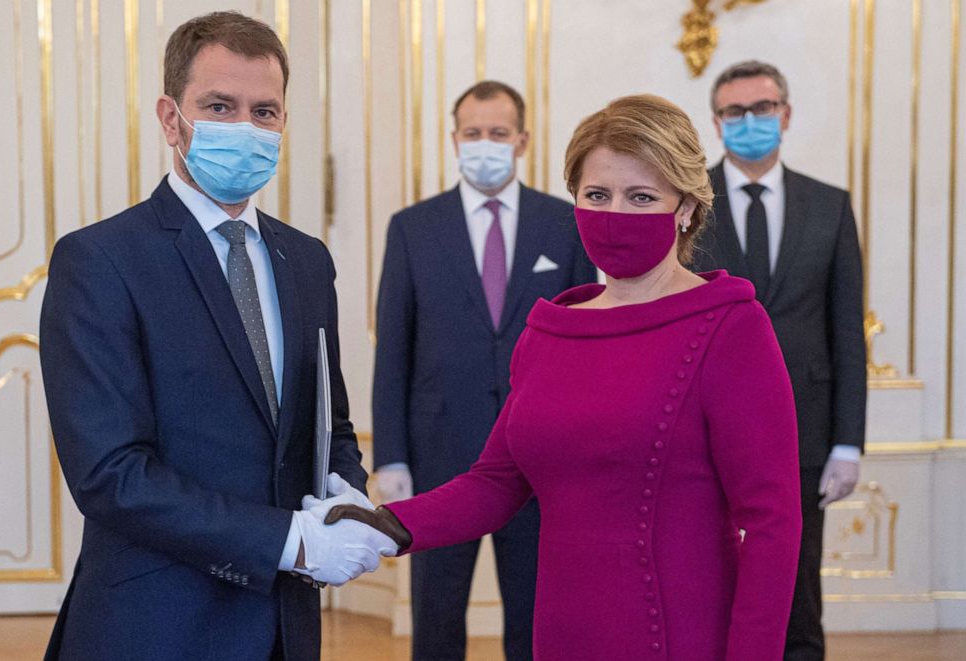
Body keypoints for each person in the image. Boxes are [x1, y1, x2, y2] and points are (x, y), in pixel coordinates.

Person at [329, 94, 803, 660]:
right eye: (597, 195)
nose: (616, 214)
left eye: (642, 196)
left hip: (678, 632)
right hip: (563, 632)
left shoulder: (730, 325)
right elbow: (495, 484)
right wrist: (387, 524)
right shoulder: (551, 331)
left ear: (684, 207)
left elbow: (773, 522)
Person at [39, 12, 394, 661]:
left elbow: (329, 424)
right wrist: (290, 540)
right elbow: (110, 473)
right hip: (157, 623)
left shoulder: (307, 259)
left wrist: (345, 488)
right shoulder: (101, 260)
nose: (245, 128)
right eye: (219, 106)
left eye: (264, 111)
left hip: (285, 624)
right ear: (172, 118)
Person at [372, 79, 596, 661]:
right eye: (473, 133)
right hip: (441, 456)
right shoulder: (412, 228)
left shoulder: (564, 223)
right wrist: (392, 458)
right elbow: (393, 350)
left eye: (498, 133)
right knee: (437, 612)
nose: (485, 144)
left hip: (539, 456)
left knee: (536, 611)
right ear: (454, 140)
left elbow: (584, 343)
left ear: (522, 141)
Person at [693, 60, 866, 661]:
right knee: (708, 579)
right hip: (705, 431)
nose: (749, 122)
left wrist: (849, 444)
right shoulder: (688, 207)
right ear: (717, 123)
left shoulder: (831, 206)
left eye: (761, 109)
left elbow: (846, 331)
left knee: (795, 586)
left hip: (805, 433)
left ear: (785, 115)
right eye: (735, 112)